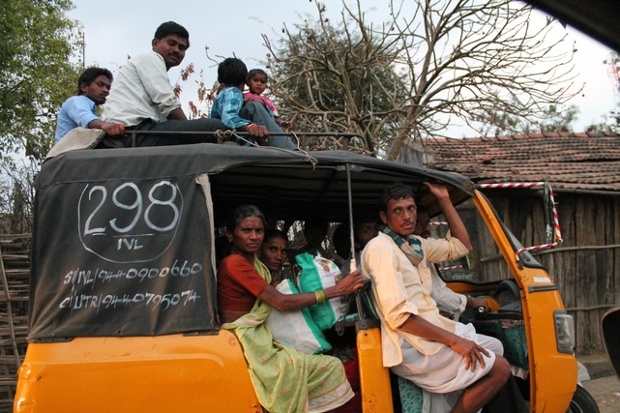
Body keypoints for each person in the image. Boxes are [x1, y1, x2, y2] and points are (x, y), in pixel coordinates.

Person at [361, 183, 510, 413]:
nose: (407, 216)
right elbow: (400, 319)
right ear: (384, 216)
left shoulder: (415, 244)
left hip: (432, 329)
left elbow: (461, 246)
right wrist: (454, 341)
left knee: (496, 346)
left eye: (410, 209)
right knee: (500, 369)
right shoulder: (382, 248)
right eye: (398, 211)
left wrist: (444, 199)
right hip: (411, 343)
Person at [217, 205, 365, 412]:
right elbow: (281, 302)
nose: (253, 237)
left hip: (261, 335)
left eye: (258, 231)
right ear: (231, 235)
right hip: (248, 339)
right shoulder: (234, 263)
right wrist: (334, 291)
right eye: (246, 231)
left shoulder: (254, 266)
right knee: (330, 367)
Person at [103, 21, 226, 147]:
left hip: (141, 130)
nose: (176, 50)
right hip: (134, 131)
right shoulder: (151, 58)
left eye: (181, 48)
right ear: (155, 43)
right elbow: (168, 103)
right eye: (171, 43)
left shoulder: (147, 64)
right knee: (214, 126)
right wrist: (192, 131)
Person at [415, 206, 489, 319]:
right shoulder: (414, 251)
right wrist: (473, 302)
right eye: (418, 224)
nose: (427, 229)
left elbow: (461, 246)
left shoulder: (423, 248)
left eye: (427, 223)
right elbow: (439, 296)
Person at [210, 58, 298, 150]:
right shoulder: (233, 92)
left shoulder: (224, 92)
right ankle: (289, 150)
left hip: (227, 133)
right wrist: (250, 126)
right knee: (254, 106)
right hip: (229, 134)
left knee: (252, 104)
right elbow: (228, 117)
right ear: (245, 80)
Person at [54, 67, 126, 142]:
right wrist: (106, 125)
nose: (106, 90)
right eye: (100, 84)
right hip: (66, 152)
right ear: (84, 87)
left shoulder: (92, 110)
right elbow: (85, 117)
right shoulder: (75, 101)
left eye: (108, 87)